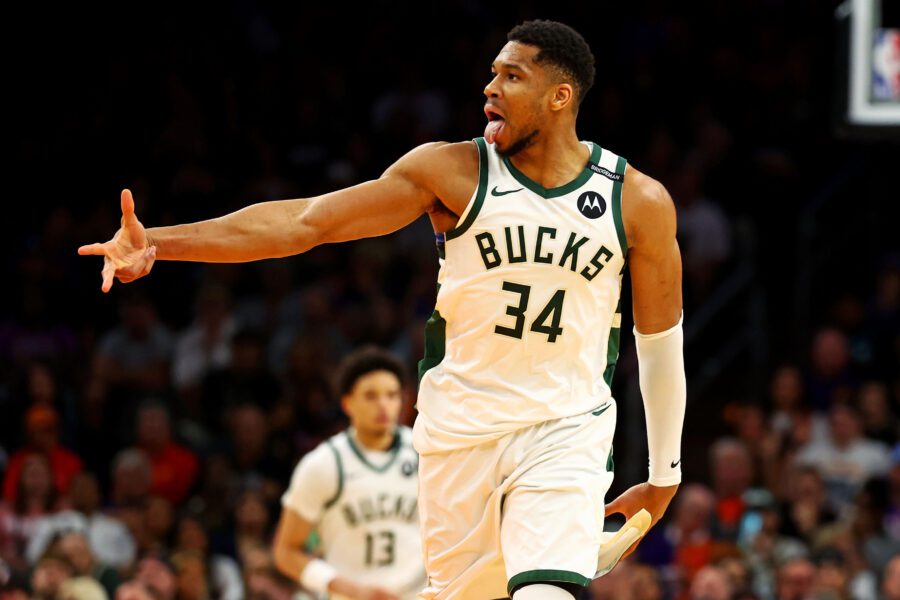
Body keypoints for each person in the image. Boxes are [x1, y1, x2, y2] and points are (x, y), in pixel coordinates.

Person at [78, 19, 686, 600]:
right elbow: (305, 222)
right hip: (459, 434)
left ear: (560, 96)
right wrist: (160, 241)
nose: (490, 88)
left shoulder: (637, 200)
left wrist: (665, 473)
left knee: (546, 588)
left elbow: (660, 341)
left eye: (511, 77)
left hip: (566, 427)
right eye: (491, 74)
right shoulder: (451, 172)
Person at [273, 346, 424, 600]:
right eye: (371, 396)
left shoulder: (426, 453)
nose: (383, 404)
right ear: (347, 402)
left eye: (391, 395)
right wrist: (344, 587)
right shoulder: (323, 464)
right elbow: (285, 551)